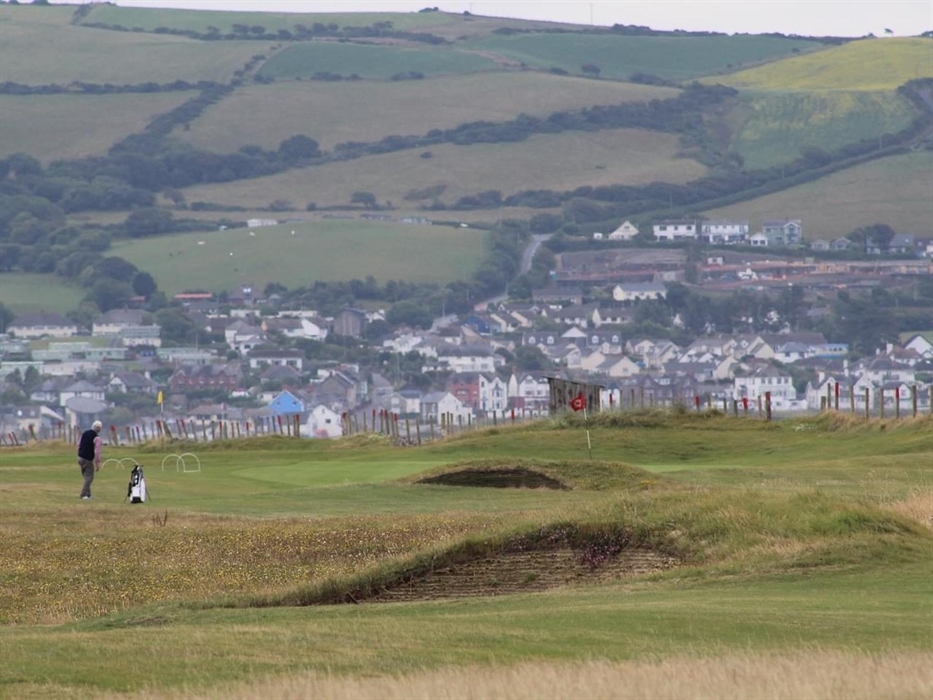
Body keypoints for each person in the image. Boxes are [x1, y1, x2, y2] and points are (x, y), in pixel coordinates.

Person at [77, 420, 103, 500]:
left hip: (80, 458)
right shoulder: (97, 438)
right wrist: (98, 462)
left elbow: (78, 444)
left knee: (86, 477)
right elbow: (97, 452)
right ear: (99, 429)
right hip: (88, 459)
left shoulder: (84, 433)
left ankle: (88, 494)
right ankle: (83, 494)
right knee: (89, 478)